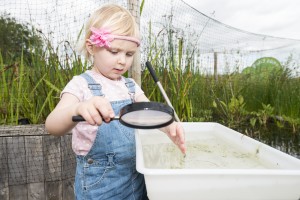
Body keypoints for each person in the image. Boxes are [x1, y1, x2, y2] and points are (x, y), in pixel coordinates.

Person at [45, 4, 186, 200]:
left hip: (137, 178)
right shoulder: (81, 85)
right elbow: (52, 125)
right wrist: (78, 108)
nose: (122, 61)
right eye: (114, 51)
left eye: (129, 54)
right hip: (100, 186)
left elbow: (149, 115)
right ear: (91, 47)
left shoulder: (130, 86)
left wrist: (168, 126)